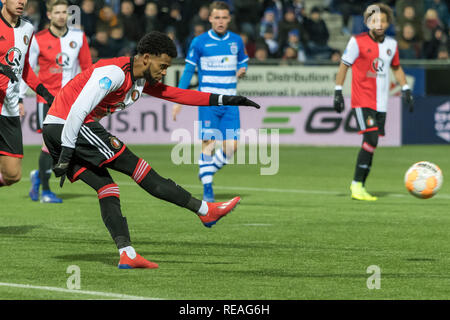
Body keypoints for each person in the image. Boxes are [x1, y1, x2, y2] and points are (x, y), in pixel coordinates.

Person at [42, 31, 260, 269]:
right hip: (68, 126)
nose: (164, 72)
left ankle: (127, 254)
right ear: (146, 57)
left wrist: (226, 100)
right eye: (163, 65)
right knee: (138, 168)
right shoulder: (114, 73)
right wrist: (66, 153)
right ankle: (205, 210)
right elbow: (78, 110)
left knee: (108, 188)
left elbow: (179, 95)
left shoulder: (140, 81)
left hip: (62, 130)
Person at [333, 3, 414, 201]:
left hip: (382, 103)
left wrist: (405, 88)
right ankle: (356, 185)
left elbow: (396, 67)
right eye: (375, 20)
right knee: (371, 139)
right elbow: (344, 66)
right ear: (368, 22)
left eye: (383, 20)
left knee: (372, 144)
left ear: (388, 23)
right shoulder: (356, 42)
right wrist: (337, 91)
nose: (379, 24)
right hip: (362, 100)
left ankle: (360, 185)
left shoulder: (391, 45)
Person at [171, 1, 249, 202]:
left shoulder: (236, 41)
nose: (221, 21)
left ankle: (206, 171)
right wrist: (179, 98)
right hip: (208, 102)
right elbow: (188, 70)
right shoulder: (199, 42)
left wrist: (242, 69)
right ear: (210, 19)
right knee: (209, 144)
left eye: (224, 17)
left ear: (229, 19)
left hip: (231, 101)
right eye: (217, 17)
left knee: (232, 148)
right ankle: (208, 188)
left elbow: (243, 59)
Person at [20, 0, 92, 203]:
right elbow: (27, 69)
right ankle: (45, 191)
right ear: (49, 15)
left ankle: (38, 176)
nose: (61, 16)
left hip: (71, 100)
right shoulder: (38, 39)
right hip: (47, 101)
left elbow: (87, 69)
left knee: (65, 146)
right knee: (48, 145)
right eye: (57, 12)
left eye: (64, 12)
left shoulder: (78, 37)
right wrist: (20, 97)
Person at [0, 0, 54, 188]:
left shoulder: (27, 29)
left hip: (9, 109)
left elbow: (25, 68)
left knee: (12, 175)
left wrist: (45, 93)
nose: (21, 1)